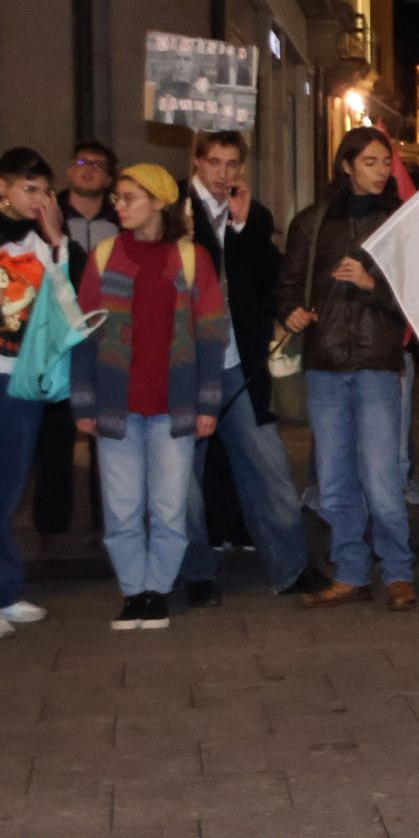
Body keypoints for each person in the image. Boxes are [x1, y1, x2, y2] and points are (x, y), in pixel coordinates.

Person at [72, 164, 227, 631]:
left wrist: (207, 404)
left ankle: (157, 590)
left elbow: (212, 335)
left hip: (173, 406)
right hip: (116, 405)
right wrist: (83, 403)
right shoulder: (103, 257)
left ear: (158, 202)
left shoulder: (191, 258)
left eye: (129, 197)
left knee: (168, 509)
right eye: (117, 197)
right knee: (120, 508)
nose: (118, 205)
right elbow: (83, 334)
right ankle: (133, 591)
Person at [176, 132, 327, 604]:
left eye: (233, 164)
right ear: (196, 163)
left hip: (238, 363)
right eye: (215, 163)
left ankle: (291, 567)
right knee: (184, 483)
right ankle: (198, 574)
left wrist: (243, 229)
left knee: (270, 469)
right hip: (186, 367)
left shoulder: (250, 216)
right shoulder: (174, 215)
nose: (224, 174)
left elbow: (264, 280)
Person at [278, 128, 415, 611]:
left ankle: (398, 571)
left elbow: (418, 298)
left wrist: (370, 283)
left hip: (379, 364)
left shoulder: (400, 221)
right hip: (325, 366)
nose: (382, 171)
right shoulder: (312, 222)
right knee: (334, 481)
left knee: (382, 478)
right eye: (372, 162)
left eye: (386, 162)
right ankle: (353, 571)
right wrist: (291, 311)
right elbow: (289, 285)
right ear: (346, 165)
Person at [0, 148, 68, 642]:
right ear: (2, 186)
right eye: (28, 189)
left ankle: (3, 587)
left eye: (44, 190)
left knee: (9, 485)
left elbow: (64, 299)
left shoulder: (39, 239)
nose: (38, 200)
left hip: (26, 373)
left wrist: (57, 240)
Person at [32, 141, 119, 550]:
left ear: (109, 177)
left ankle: (110, 521)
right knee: (56, 433)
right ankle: (53, 528)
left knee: (110, 430)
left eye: (98, 166)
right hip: (58, 339)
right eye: (82, 163)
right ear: (69, 170)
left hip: (106, 335)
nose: (89, 170)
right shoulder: (47, 217)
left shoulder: (120, 218)